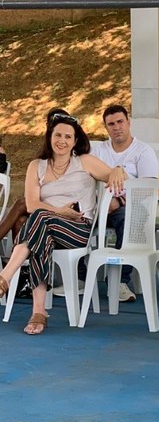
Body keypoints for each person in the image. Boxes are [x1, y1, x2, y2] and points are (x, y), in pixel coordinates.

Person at [0, 112, 127, 334]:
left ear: (75, 141)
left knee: (39, 220)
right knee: (40, 231)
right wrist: (59, 211)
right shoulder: (36, 166)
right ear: (49, 137)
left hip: (78, 228)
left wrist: (118, 169)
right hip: (46, 227)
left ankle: (5, 277)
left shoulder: (85, 162)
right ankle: (38, 312)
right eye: (57, 135)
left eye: (68, 137)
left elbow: (115, 175)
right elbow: (31, 204)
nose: (62, 141)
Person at [53, 104, 159, 303]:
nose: (116, 127)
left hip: (126, 208)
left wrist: (119, 201)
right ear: (106, 127)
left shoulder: (143, 151)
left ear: (128, 122)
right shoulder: (98, 150)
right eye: (111, 124)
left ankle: (120, 281)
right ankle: (80, 278)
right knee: (72, 216)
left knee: (128, 219)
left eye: (120, 122)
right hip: (96, 206)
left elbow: (149, 190)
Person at [0, 108, 71, 246]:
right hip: (44, 204)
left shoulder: (73, 153)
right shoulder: (46, 154)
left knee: (22, 203)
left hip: (63, 206)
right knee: (20, 221)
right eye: (51, 125)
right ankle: (20, 260)